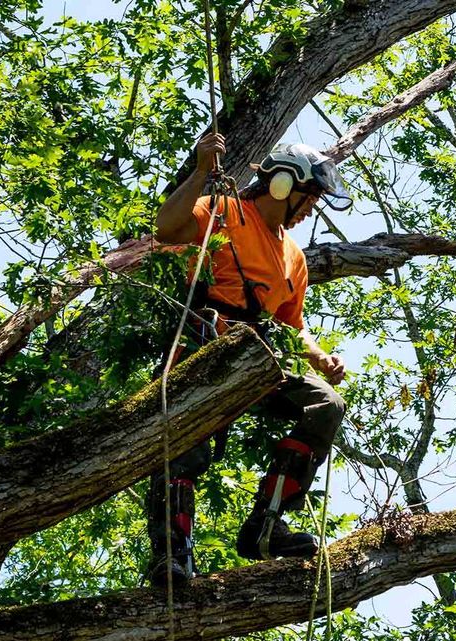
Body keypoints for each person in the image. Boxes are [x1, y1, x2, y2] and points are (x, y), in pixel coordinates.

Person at [146, 132, 350, 587]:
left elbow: (292, 326)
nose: (311, 208)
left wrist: (319, 359)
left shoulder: (294, 257)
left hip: (256, 357)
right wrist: (201, 171)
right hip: (203, 348)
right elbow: (167, 229)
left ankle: (267, 523)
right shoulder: (224, 211)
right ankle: (172, 555)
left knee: (325, 405)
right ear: (281, 185)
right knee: (185, 450)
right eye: (309, 196)